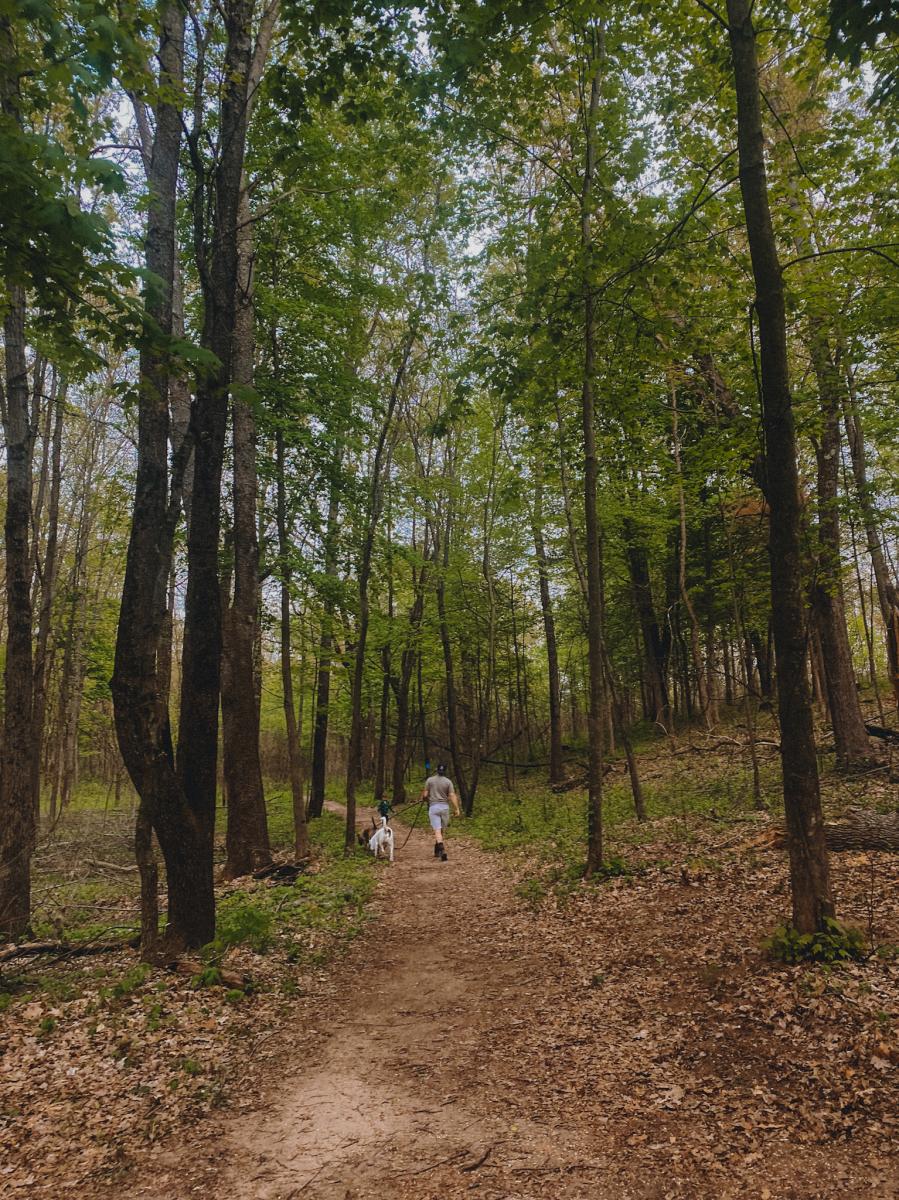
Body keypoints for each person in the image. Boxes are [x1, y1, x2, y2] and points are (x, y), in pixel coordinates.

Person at [420, 763, 460, 861]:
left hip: (433, 807)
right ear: (445, 771)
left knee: (437, 830)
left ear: (436, 770)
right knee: (441, 830)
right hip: (444, 808)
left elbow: (425, 795)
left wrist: (424, 798)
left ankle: (441, 848)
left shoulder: (429, 780)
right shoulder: (448, 782)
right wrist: (457, 808)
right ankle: (437, 849)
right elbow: (452, 795)